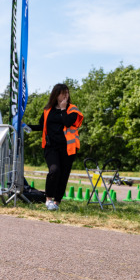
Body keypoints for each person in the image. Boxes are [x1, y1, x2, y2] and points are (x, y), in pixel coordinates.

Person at [28, 83, 84, 211]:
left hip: (68, 148)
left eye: (67, 93)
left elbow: (68, 122)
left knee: (63, 175)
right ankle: (48, 199)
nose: (65, 95)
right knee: (54, 170)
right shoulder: (48, 110)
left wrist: (63, 109)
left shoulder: (73, 109)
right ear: (56, 94)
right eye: (62, 93)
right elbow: (42, 126)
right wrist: (28, 127)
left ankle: (57, 203)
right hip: (51, 147)